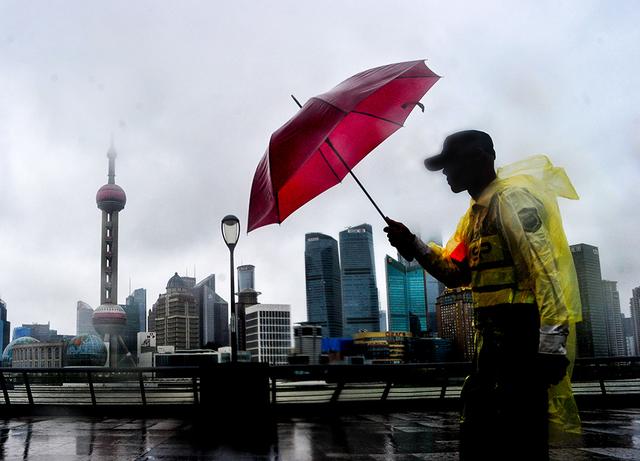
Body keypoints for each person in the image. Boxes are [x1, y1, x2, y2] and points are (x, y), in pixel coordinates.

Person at [384, 130, 582, 460]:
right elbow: (455, 273)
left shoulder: (513, 201)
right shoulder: (474, 216)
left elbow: (544, 270)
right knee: (480, 428)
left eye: (451, 163)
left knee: (519, 434)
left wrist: (551, 343)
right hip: (487, 341)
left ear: (478, 158)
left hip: (522, 336)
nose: (446, 172)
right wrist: (413, 244)